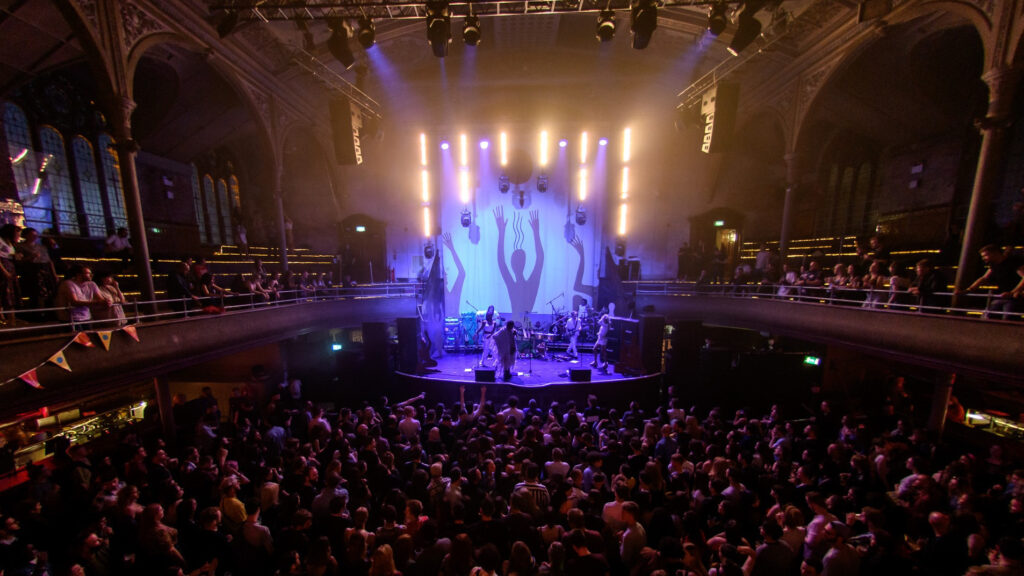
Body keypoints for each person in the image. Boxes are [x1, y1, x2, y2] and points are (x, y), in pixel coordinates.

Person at [956, 244, 1024, 319]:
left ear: (995, 253)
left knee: (1008, 316)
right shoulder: (994, 265)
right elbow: (984, 278)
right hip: (1002, 296)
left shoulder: (1014, 262)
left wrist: (1013, 292)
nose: (983, 258)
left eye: (985, 255)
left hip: (1015, 298)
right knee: (990, 315)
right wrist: (968, 290)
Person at [0, 223, 21, 325]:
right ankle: (4, 318)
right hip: (3, 268)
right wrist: (4, 271)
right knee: (4, 293)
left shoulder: (10, 243)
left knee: (10, 295)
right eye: (17, 233)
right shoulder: (1, 241)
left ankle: (11, 318)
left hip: (10, 267)